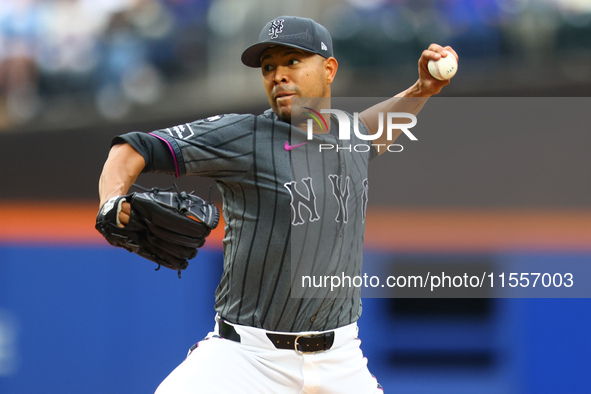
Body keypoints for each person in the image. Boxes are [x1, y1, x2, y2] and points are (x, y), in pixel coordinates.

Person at [97, 15, 457, 394]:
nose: (278, 75)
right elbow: (132, 147)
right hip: (246, 358)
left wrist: (422, 89)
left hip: (342, 360)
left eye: (293, 62)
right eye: (269, 67)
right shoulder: (244, 137)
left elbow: (372, 133)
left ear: (329, 69)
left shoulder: (350, 135)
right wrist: (111, 199)